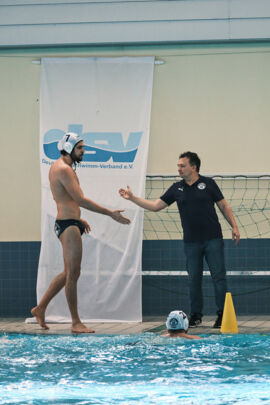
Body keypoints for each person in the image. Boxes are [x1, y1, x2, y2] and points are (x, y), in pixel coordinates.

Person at [119, 151, 240, 329]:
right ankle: (196, 315)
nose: (179, 169)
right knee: (193, 279)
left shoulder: (209, 184)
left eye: (182, 166)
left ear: (194, 167)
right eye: (178, 166)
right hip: (191, 242)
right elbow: (155, 206)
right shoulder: (177, 188)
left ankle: (223, 314)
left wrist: (234, 226)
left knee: (219, 278)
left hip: (213, 239)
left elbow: (223, 205)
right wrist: (133, 198)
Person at [31, 132, 130, 333]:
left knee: (69, 272)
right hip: (67, 225)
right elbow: (80, 199)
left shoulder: (60, 167)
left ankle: (40, 308)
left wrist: (77, 218)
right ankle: (75, 322)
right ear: (68, 149)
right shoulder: (63, 169)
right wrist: (110, 213)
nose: (83, 151)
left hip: (69, 222)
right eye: (80, 148)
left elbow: (65, 199)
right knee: (74, 274)